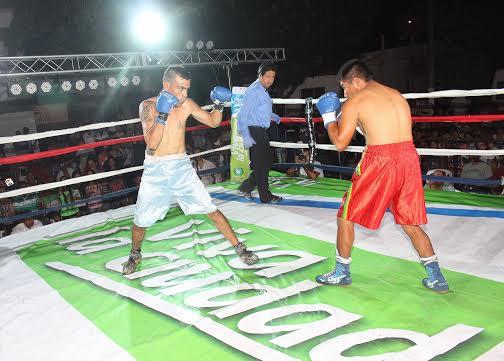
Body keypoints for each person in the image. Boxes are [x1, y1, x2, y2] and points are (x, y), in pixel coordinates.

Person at [315, 59, 449, 293]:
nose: (344, 93)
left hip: (380, 160)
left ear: (356, 81)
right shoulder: (396, 94)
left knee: (345, 215)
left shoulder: (356, 100)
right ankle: (437, 278)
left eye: (345, 87)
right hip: (408, 157)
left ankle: (341, 272)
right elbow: (375, 127)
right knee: (410, 222)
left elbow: (339, 143)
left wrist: (328, 119)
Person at [122, 66, 258, 275]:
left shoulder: (186, 104)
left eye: (187, 89)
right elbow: (151, 144)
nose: (184, 94)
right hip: (155, 169)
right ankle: (135, 253)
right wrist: (163, 114)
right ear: (166, 85)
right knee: (141, 220)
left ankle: (240, 248)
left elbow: (213, 122)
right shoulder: (148, 106)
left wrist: (219, 105)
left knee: (210, 208)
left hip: (181, 166)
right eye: (180, 88)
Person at [237, 62, 283, 203]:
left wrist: (272, 116)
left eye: (273, 77)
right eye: (267, 76)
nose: (270, 80)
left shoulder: (261, 90)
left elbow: (258, 110)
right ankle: (265, 196)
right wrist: (245, 134)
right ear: (260, 76)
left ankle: (247, 186)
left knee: (266, 161)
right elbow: (242, 115)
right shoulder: (254, 91)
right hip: (254, 131)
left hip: (259, 130)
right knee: (261, 164)